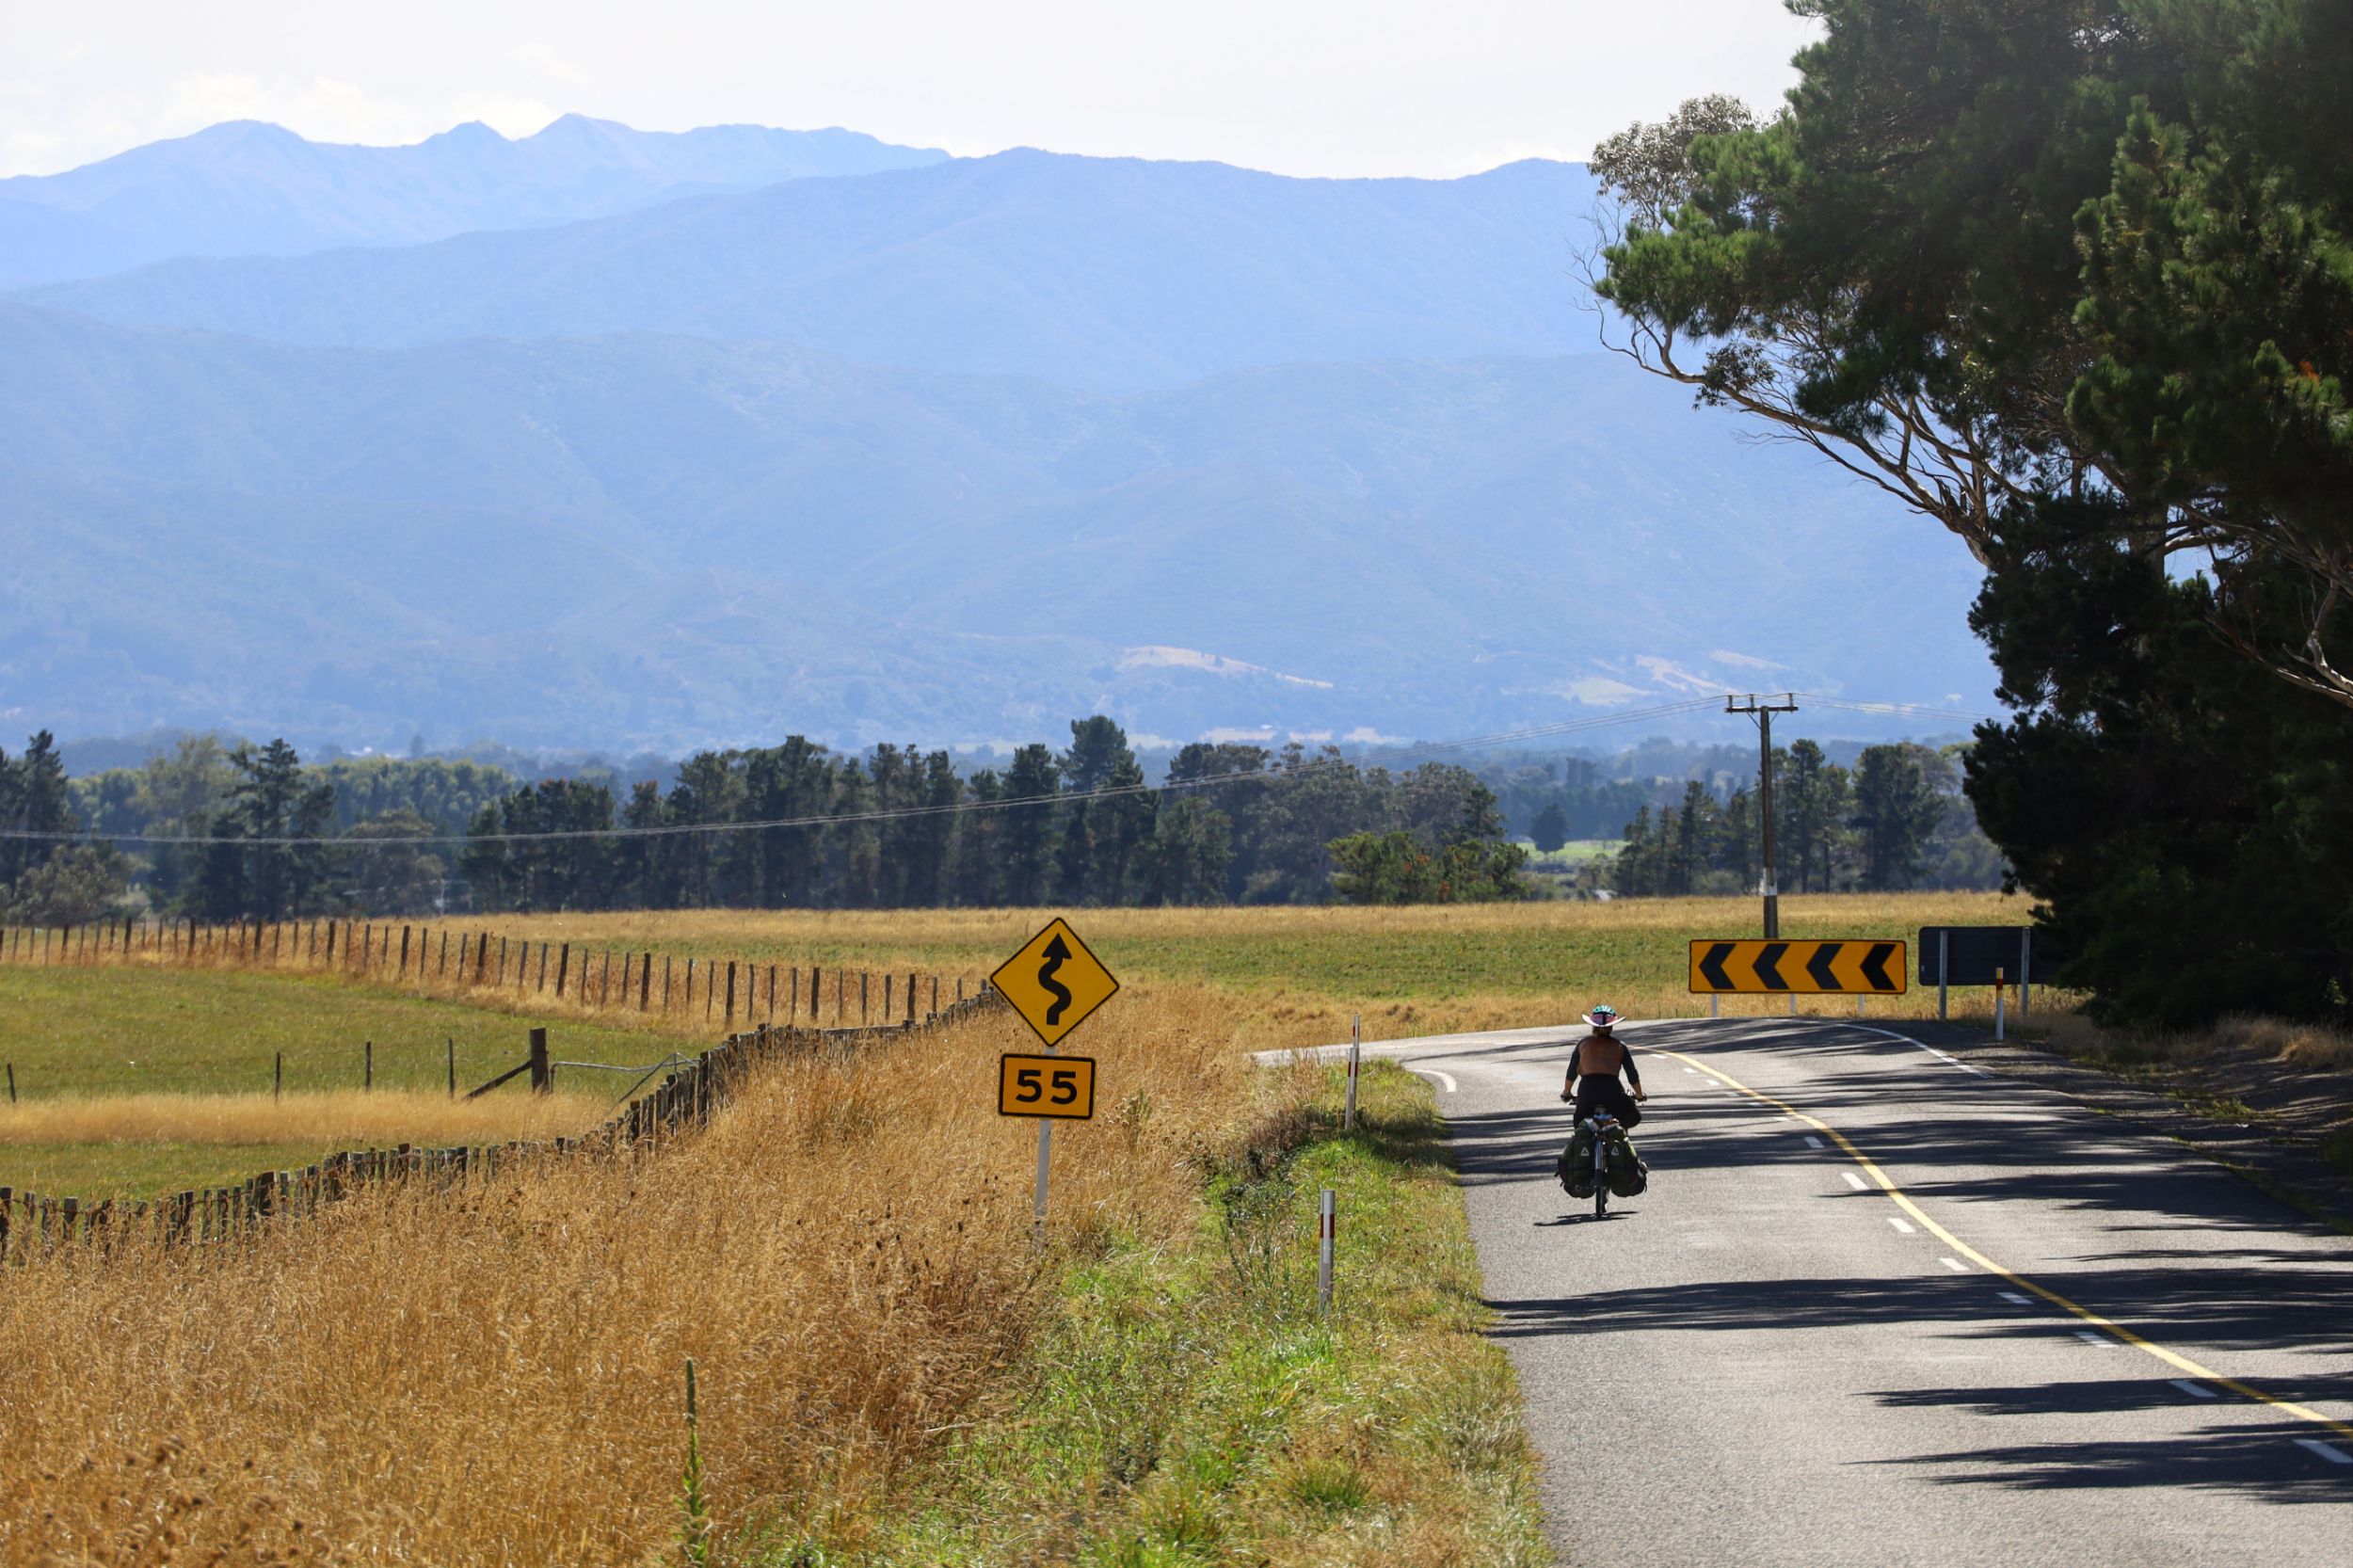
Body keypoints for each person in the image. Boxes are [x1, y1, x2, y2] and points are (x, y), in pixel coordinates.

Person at [1560, 1003, 1646, 1128]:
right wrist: (1639, 1095)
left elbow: (1572, 1072)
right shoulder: (1620, 1047)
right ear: (1611, 1026)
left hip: (1587, 1091)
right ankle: (1623, 1146)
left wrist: (1566, 1093)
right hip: (1612, 1091)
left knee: (1580, 1126)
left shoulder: (1582, 1045)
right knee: (1624, 1121)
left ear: (1593, 1026)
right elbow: (1632, 1074)